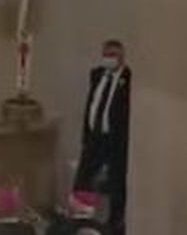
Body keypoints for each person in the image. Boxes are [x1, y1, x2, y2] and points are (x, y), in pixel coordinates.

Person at [75, 39, 130, 230]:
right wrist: (86, 135)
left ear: (122, 57)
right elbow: (91, 106)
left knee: (116, 184)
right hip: (94, 137)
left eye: (113, 55)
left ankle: (115, 225)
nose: (109, 59)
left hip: (114, 141)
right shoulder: (97, 75)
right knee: (83, 178)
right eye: (106, 55)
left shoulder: (127, 78)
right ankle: (81, 219)